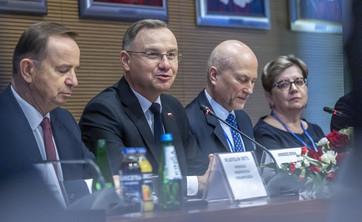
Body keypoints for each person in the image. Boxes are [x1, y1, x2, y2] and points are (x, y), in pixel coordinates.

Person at [79, 19, 213, 196]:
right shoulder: (102, 111)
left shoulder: (173, 107)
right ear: (126, 60)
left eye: (171, 55)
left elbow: (198, 169)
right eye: (152, 54)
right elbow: (126, 183)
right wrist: (195, 185)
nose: (166, 64)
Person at [0, 22, 95, 205]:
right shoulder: (4, 123)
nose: (74, 81)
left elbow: (94, 175)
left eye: (76, 70)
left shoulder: (64, 120)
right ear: (28, 70)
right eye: (63, 70)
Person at [185, 40, 257, 159]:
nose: (249, 90)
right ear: (214, 76)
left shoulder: (244, 119)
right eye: (242, 79)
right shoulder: (189, 122)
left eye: (253, 81)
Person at [253, 55, 325, 162]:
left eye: (299, 82)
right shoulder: (263, 134)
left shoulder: (316, 130)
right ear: (269, 97)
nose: (294, 89)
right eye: (284, 85)